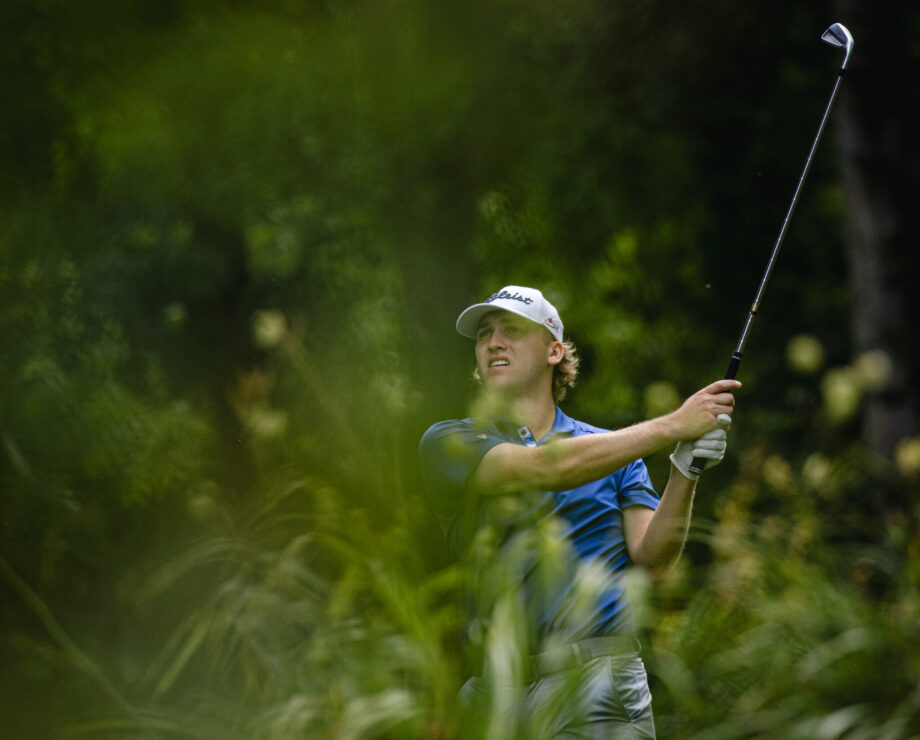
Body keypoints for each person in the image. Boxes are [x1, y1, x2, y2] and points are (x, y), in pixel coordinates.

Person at [418, 285, 739, 738]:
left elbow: (652, 557)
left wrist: (685, 470)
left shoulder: (615, 453)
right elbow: (542, 468)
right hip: (493, 693)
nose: (493, 342)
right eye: (484, 334)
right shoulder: (448, 442)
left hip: (596, 680)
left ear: (554, 351)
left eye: (512, 330)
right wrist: (673, 425)